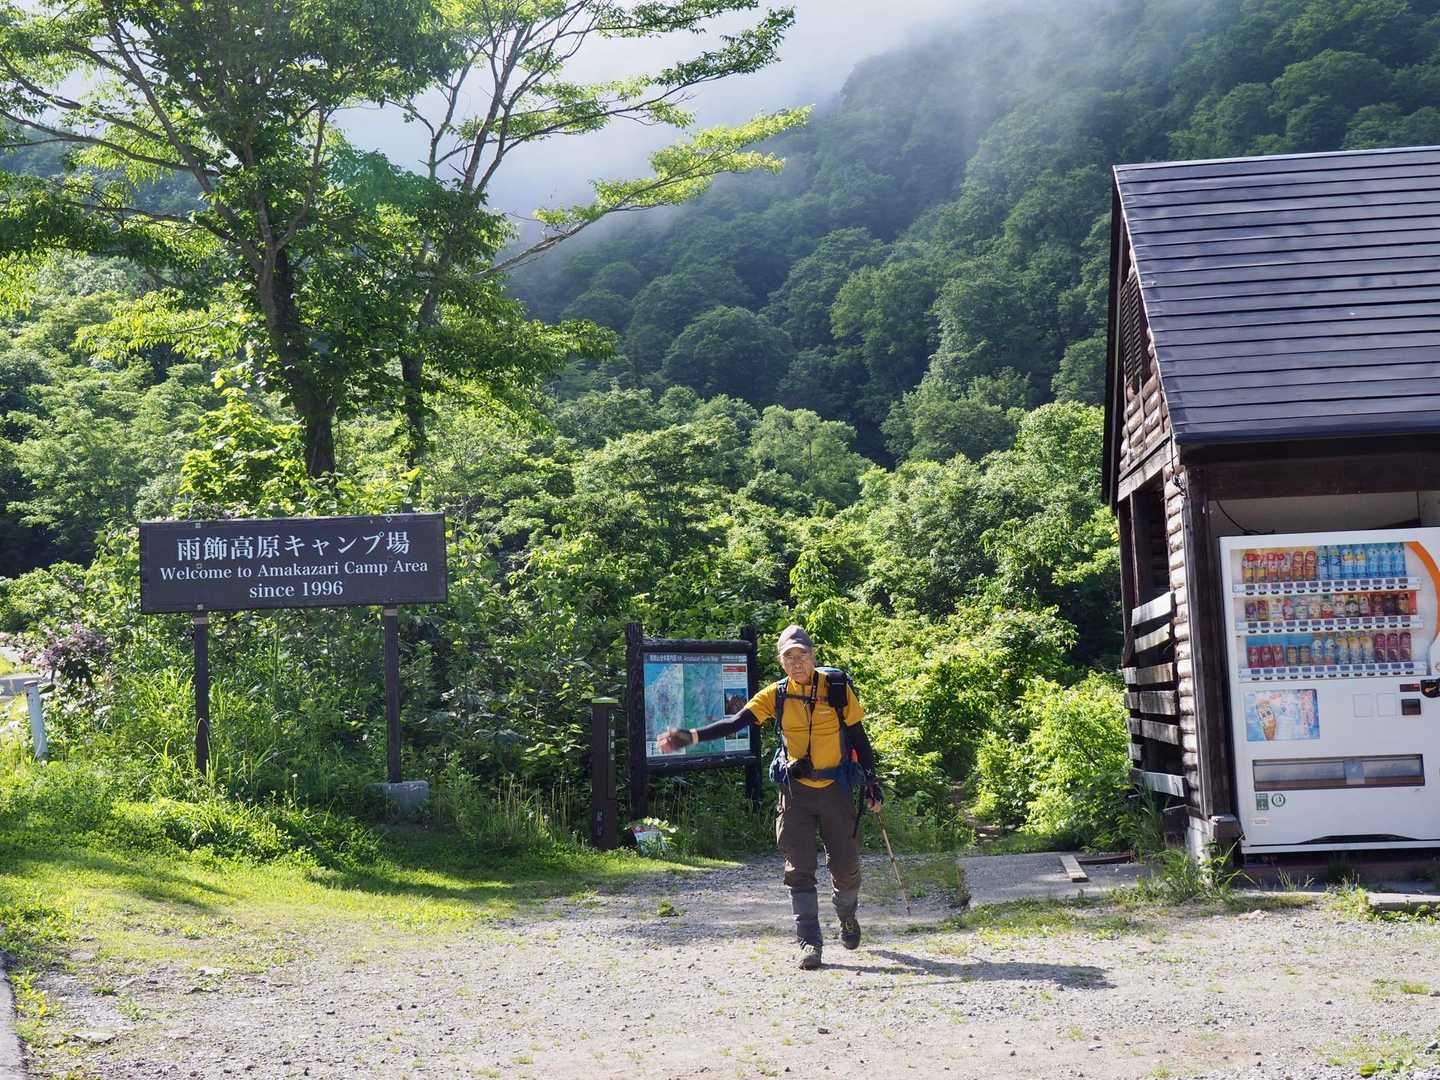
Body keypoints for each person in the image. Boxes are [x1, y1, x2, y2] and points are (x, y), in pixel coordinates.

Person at [657, 624, 883, 970]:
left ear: (813, 655)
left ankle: (847, 915)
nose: (796, 663)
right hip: (795, 793)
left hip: (835, 790)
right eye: (789, 657)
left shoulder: (836, 688)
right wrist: (691, 736)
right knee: (798, 869)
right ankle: (809, 942)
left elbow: (858, 736)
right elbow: (735, 722)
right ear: (781, 661)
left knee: (846, 867)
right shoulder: (775, 695)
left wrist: (872, 780)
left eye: (801, 655)